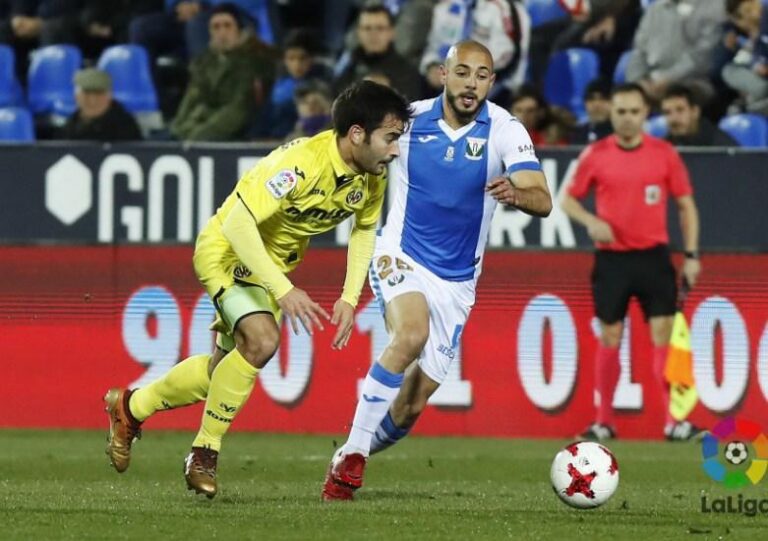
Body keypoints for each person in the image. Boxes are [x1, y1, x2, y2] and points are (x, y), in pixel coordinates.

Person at [104, 80, 412, 499]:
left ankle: (130, 407)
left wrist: (348, 296)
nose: (395, 150)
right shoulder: (301, 163)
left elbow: (363, 230)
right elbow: (237, 224)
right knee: (263, 340)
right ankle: (204, 452)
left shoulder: (370, 177)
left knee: (224, 369)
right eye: (390, 138)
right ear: (357, 133)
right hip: (228, 253)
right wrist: (284, 290)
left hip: (270, 269)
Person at [321, 40, 553, 501]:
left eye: (482, 75)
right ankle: (352, 457)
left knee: (409, 408)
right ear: (442, 74)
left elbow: (542, 199)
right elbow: (358, 149)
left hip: (457, 282)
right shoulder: (407, 121)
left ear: (492, 80)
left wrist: (516, 194)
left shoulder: (505, 130)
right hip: (400, 255)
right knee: (410, 335)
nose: (471, 83)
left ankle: (356, 447)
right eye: (462, 72)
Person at [560, 83, 703, 443]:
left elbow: (686, 206)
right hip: (612, 262)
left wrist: (691, 255)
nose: (627, 119)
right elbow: (568, 200)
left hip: (654, 258)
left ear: (645, 114)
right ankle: (604, 421)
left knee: (663, 337)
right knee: (610, 336)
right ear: (612, 114)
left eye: (634, 112)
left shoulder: (664, 153)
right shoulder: (596, 154)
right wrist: (591, 222)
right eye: (620, 112)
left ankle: (674, 422)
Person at [170, 3, 275, 141]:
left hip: (236, 133)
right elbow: (191, 98)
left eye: (227, 26)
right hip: (199, 127)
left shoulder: (255, 61)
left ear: (240, 30)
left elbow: (238, 110)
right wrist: (178, 129)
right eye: (216, 27)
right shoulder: (204, 61)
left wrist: (199, 135)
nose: (222, 32)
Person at [334, 4, 423, 100]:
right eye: (367, 28)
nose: (373, 34)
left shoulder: (407, 73)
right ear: (358, 33)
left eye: (380, 28)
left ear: (391, 32)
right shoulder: (348, 67)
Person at [57, 68, 142, 141]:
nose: (92, 100)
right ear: (76, 96)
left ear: (110, 95)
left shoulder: (125, 126)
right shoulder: (71, 125)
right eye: (87, 93)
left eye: (98, 93)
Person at [661, 84, 737, 146]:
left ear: (695, 112)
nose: (674, 118)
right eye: (667, 112)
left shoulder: (720, 146)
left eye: (680, 110)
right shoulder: (664, 145)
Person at [569, 78, 613, 145]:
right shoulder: (577, 134)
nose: (596, 104)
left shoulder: (621, 134)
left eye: (603, 98)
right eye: (591, 98)